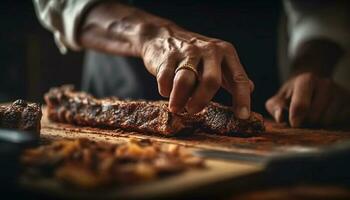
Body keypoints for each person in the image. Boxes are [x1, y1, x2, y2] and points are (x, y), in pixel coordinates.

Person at [33, 0, 350, 128]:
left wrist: (309, 70)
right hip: (122, 73)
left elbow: (320, 10)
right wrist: (150, 34)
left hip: (257, 85)